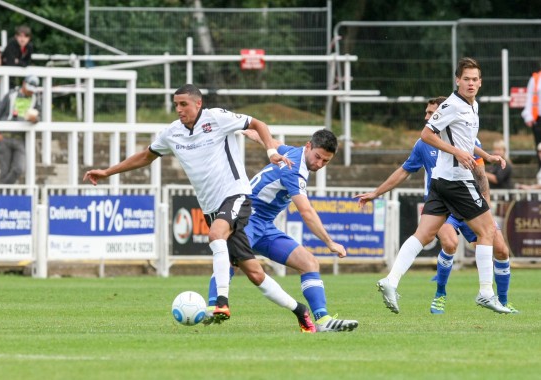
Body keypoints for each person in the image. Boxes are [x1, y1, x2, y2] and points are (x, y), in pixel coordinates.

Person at [83, 84, 317, 332]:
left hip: (236, 194)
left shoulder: (216, 118)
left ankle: (221, 303)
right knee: (255, 273)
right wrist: (108, 171)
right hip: (211, 207)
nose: (179, 109)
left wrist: (271, 150)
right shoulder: (172, 132)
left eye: (183, 104)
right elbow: (145, 156)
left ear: (198, 104)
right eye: (176, 105)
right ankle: (300, 311)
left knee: (216, 234)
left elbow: (257, 124)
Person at [364, 58, 511, 315]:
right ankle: (486, 292)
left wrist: (485, 156)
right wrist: (458, 153)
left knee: (423, 234)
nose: (471, 83)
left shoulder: (471, 105)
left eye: (475, 79)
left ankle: (391, 280)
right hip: (456, 181)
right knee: (487, 231)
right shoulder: (452, 105)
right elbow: (427, 134)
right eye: (466, 79)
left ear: (481, 82)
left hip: (441, 181)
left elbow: (462, 140)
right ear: (457, 80)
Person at [204, 129, 359, 332]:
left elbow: (273, 143)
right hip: (246, 218)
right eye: (318, 157)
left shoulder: (294, 153)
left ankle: (323, 321)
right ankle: (213, 307)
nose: (319, 164)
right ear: (308, 146)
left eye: (325, 161)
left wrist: (256, 134)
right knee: (231, 262)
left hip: (265, 225)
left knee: (309, 263)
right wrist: (329, 242)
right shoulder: (294, 170)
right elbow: (306, 212)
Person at [0, 75, 41, 184]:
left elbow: (39, 116)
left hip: (20, 138)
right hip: (4, 137)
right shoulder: (11, 94)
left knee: (19, 168)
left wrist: (35, 119)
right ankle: (5, 195)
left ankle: (4, 191)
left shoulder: (34, 99)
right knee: (4, 170)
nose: (30, 92)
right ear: (24, 84)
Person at [521, 68, 541, 168]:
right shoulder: (535, 79)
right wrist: (528, 116)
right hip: (538, 119)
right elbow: (529, 98)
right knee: (540, 147)